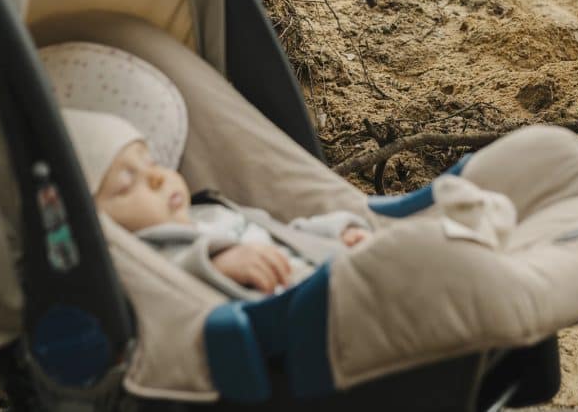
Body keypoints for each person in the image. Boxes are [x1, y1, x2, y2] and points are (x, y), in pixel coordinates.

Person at [62, 108, 370, 299]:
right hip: (291, 314)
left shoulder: (210, 211)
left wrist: (333, 236)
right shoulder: (137, 259)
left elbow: (282, 234)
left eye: (152, 163)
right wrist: (214, 265)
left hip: (322, 277)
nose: (158, 178)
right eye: (128, 183)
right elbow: (161, 295)